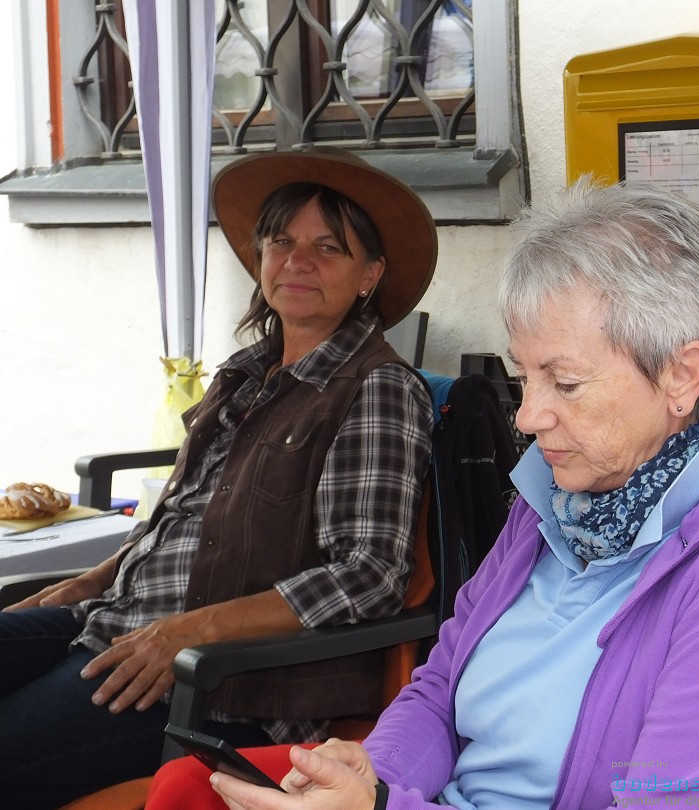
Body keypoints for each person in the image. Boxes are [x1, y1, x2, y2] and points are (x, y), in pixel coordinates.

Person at [148, 179, 699, 810]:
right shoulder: (551, 507)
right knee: (189, 785)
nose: (527, 418)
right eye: (523, 376)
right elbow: (439, 691)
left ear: (682, 375)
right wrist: (372, 771)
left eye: (564, 384)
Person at [0, 147, 436, 809]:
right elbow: (183, 520)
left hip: (221, 685)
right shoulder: (244, 376)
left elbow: (369, 572)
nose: (298, 261)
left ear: (369, 274)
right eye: (282, 241)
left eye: (329, 247)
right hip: (117, 621)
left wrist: (191, 631)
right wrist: (95, 577)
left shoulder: (375, 389)